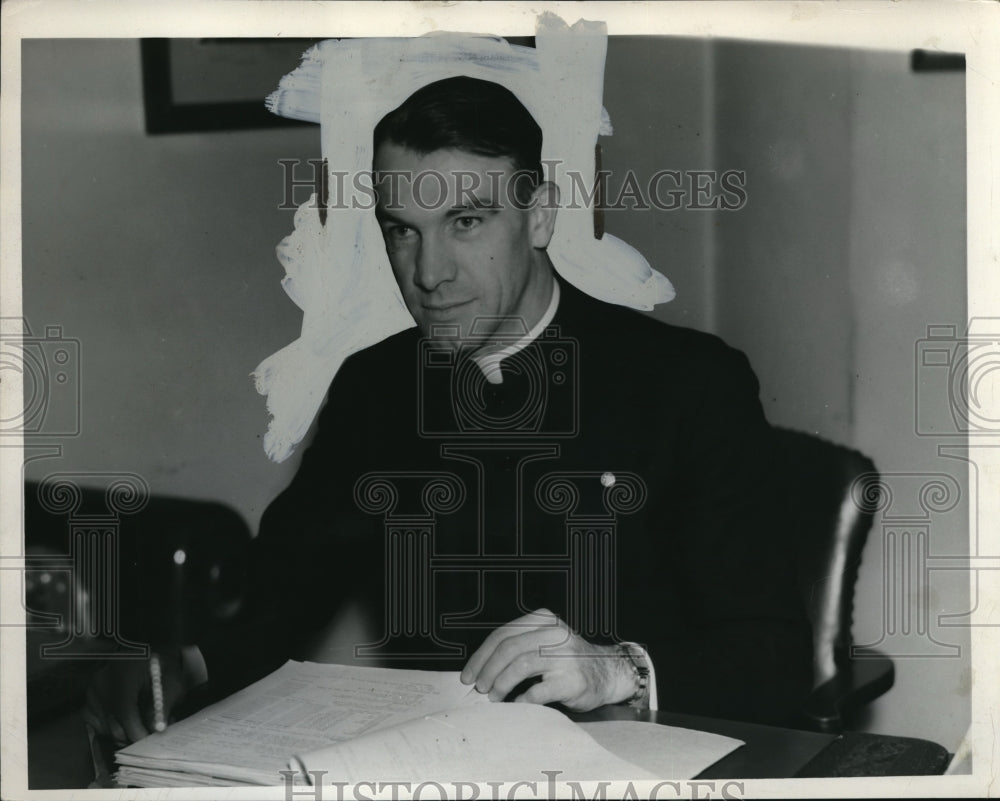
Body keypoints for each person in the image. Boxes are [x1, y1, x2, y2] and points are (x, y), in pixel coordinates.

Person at [87, 76, 813, 744]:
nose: (428, 274)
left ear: (538, 217)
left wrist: (619, 669)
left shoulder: (689, 382)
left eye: (465, 222)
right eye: (403, 229)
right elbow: (284, 593)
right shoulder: (376, 385)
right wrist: (183, 660)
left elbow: (776, 657)